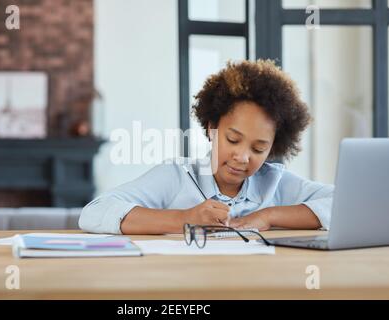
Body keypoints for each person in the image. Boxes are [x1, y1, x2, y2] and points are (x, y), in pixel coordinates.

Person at [79, 59, 334, 235]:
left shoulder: (276, 183)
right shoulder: (177, 176)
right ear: (212, 127)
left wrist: (269, 215)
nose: (242, 157)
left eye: (258, 149)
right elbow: (94, 213)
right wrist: (183, 219)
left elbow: (345, 204)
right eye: (233, 140)